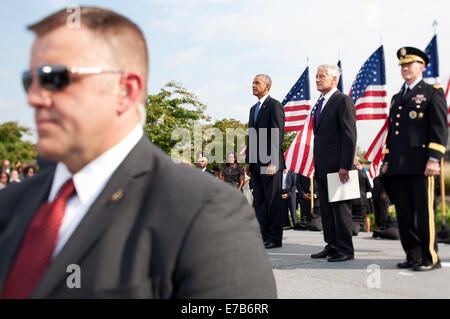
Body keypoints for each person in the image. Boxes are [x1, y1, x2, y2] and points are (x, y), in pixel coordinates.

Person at [0, 7, 276, 299]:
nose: (34, 97)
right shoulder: (11, 206)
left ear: (126, 90)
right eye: (28, 81)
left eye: (54, 78)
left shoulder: (205, 211)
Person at [381, 47, 448, 271]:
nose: (405, 68)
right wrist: (387, 159)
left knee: (424, 212)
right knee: (405, 213)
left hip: (421, 164)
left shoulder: (432, 92)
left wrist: (434, 159)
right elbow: (392, 133)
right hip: (399, 165)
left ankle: (430, 257)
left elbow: (439, 128)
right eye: (402, 65)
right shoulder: (397, 97)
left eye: (410, 63)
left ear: (422, 66)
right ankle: (412, 255)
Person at [310, 64, 357, 262]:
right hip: (322, 165)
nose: (318, 79)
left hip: (339, 167)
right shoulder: (320, 103)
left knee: (340, 209)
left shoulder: (342, 101)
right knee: (327, 210)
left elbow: (349, 135)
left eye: (322, 76)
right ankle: (332, 245)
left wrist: (345, 165)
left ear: (334, 79)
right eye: (317, 76)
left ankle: (345, 249)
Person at [245, 74, 285, 249]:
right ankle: (263, 235)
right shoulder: (253, 109)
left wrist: (273, 161)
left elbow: (277, 133)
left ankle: (275, 238)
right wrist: (248, 160)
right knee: (259, 201)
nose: (253, 85)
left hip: (270, 162)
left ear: (267, 86)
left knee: (272, 200)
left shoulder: (275, 105)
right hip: (255, 163)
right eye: (253, 82)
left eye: (257, 83)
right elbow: (251, 136)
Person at [350, 158, 373, 236]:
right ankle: (366, 232)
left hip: (352, 199)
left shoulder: (350, 173)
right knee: (364, 218)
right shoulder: (363, 173)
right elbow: (369, 188)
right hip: (363, 199)